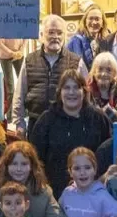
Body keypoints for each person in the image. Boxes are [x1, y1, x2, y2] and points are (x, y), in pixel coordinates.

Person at [30, 69, 112, 199]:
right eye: (67, 88)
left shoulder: (98, 118)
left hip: (94, 192)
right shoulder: (46, 120)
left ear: (84, 91)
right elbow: (35, 158)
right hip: (55, 193)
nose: (71, 92)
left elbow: (109, 153)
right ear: (59, 92)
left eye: (76, 87)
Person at [12, 14, 86, 138]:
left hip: (68, 123)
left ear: (65, 36)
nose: (55, 37)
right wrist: (19, 123)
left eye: (59, 33)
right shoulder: (29, 60)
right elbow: (19, 94)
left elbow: (86, 95)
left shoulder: (76, 61)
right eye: (51, 32)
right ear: (41, 35)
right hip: (36, 123)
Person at [88, 52, 117, 121]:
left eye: (109, 70)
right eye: (100, 69)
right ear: (94, 72)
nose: (103, 74)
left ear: (114, 73)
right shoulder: (85, 92)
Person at [66, 4, 109, 69]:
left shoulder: (106, 41)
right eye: (90, 18)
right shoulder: (75, 41)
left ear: (102, 23)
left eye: (97, 19)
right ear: (85, 21)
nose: (94, 22)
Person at [0, 37, 25, 101]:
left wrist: (21, 49)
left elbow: (26, 36)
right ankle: (10, 108)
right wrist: (12, 53)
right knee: (10, 86)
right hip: (4, 55)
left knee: (24, 81)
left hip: (19, 53)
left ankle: (25, 106)